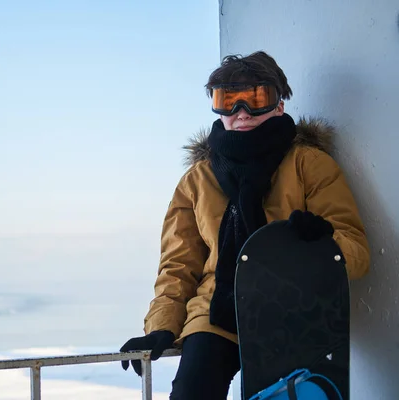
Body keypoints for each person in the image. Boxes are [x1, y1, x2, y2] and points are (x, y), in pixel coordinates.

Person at [119, 51, 370, 400]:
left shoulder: (309, 166)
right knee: (192, 392)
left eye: (255, 98)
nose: (241, 113)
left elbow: (356, 251)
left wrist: (322, 246)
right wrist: (161, 326)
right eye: (228, 100)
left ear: (279, 105)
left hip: (292, 311)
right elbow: (179, 265)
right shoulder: (197, 180)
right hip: (216, 312)